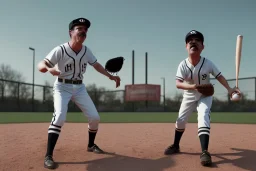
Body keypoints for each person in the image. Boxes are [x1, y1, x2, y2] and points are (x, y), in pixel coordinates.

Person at [37, 17, 121, 169]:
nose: (83, 31)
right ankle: (48, 155)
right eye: (79, 28)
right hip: (62, 87)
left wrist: (111, 76)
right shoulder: (61, 49)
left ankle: (90, 145)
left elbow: (96, 65)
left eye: (85, 29)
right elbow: (40, 65)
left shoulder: (86, 50)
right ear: (71, 32)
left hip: (80, 88)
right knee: (60, 116)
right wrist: (49, 69)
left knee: (95, 117)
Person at [164, 30, 241, 166]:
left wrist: (229, 89)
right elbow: (178, 84)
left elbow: (220, 76)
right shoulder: (183, 65)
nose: (193, 42)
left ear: (203, 47)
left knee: (203, 115)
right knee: (181, 120)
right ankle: (176, 145)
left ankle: (204, 151)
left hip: (205, 96)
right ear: (186, 47)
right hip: (189, 96)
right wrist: (194, 87)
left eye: (197, 40)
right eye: (190, 41)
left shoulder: (208, 63)